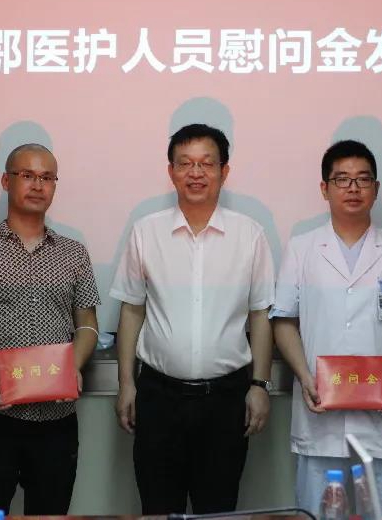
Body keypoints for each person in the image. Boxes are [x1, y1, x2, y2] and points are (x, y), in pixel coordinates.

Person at [111, 123, 275, 514]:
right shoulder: (146, 232)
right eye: (185, 163)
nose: (196, 173)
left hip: (226, 399)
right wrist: (126, 384)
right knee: (158, 507)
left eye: (206, 163)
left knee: (217, 508)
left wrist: (260, 385)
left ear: (224, 171)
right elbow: (132, 310)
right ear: (171, 172)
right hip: (158, 397)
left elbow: (260, 316)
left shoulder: (249, 235)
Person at [271, 140, 382, 517]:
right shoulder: (301, 248)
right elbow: (283, 320)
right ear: (324, 188)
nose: (353, 188)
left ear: (375, 189)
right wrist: (305, 376)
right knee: (317, 513)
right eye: (342, 179)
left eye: (363, 179)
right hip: (320, 409)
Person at [0, 143, 100, 516]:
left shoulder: (74, 253)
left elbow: (87, 324)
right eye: (27, 175)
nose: (37, 185)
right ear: (6, 181)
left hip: (56, 421)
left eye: (47, 177)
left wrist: (73, 367)